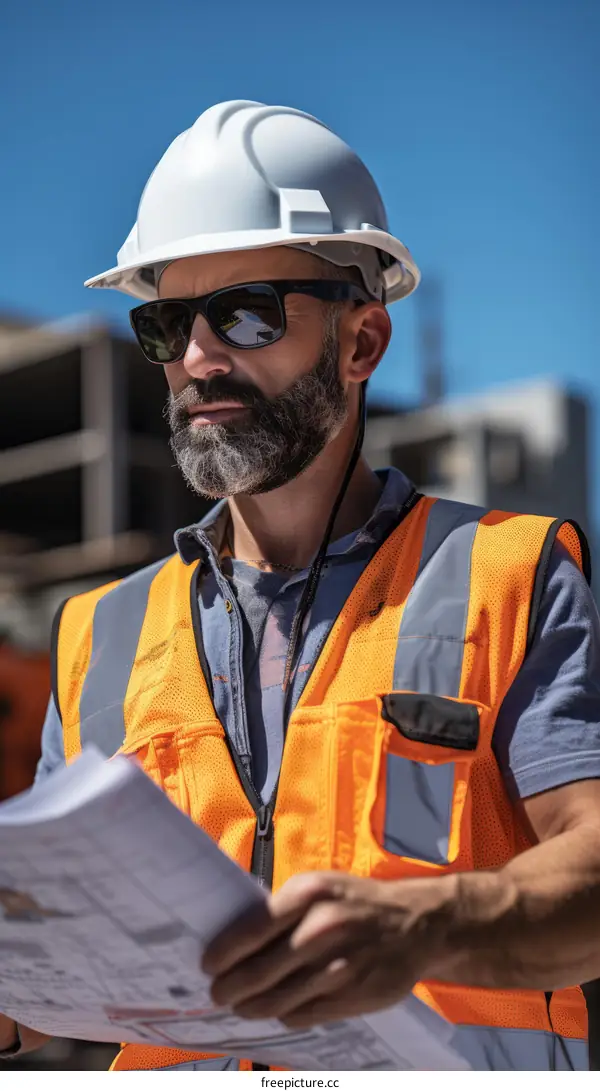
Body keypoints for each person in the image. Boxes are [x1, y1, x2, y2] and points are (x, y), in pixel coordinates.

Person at [3, 100, 600, 1072]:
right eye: (167, 323)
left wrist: (430, 925)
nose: (199, 358)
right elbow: (55, 976)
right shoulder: (97, 635)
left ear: (362, 343)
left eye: (247, 312)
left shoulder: (509, 574)